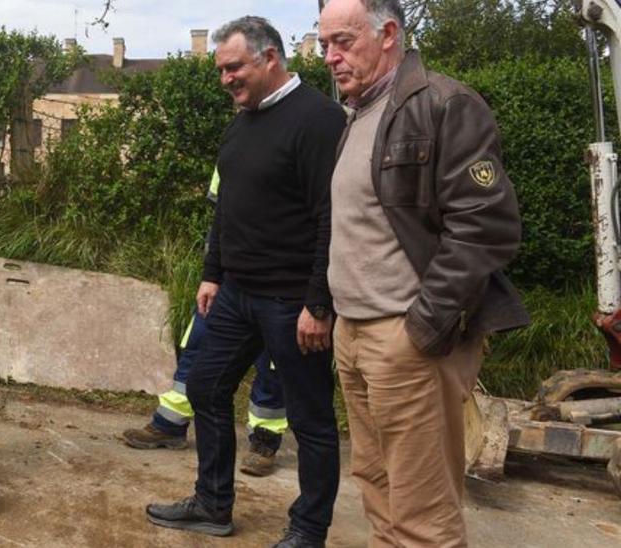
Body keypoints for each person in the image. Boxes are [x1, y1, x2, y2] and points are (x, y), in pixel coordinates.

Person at [318, 1, 527, 545]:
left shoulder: (444, 103)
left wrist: (424, 325)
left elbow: (487, 227)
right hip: (355, 333)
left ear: (388, 33)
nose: (330, 57)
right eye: (323, 45)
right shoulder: (359, 113)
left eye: (342, 41)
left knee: (422, 513)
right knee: (378, 486)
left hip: (405, 341)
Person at [144, 16, 345, 548]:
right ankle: (212, 503)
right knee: (206, 386)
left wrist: (319, 304)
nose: (225, 79)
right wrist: (213, 274)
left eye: (234, 68)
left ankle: (308, 530)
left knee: (311, 419)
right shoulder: (243, 120)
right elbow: (226, 207)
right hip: (237, 294)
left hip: (292, 301)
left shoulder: (318, 120)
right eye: (221, 70)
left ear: (270, 58)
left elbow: (332, 217)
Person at [122, 171, 290, 478]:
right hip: (228, 274)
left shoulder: (300, 135)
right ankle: (171, 423)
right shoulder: (237, 138)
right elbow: (221, 214)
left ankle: (265, 439)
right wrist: (212, 272)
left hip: (277, 279)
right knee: (197, 343)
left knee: (272, 360)